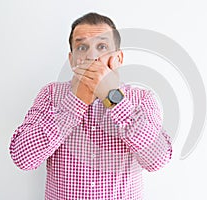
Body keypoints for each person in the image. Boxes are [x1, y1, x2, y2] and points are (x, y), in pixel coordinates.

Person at [9, 12, 172, 200]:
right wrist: (76, 102)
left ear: (118, 58)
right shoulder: (50, 95)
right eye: (82, 47)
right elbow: (23, 158)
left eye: (102, 46)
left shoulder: (142, 98)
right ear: (71, 60)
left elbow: (157, 160)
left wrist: (113, 97)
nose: (92, 56)